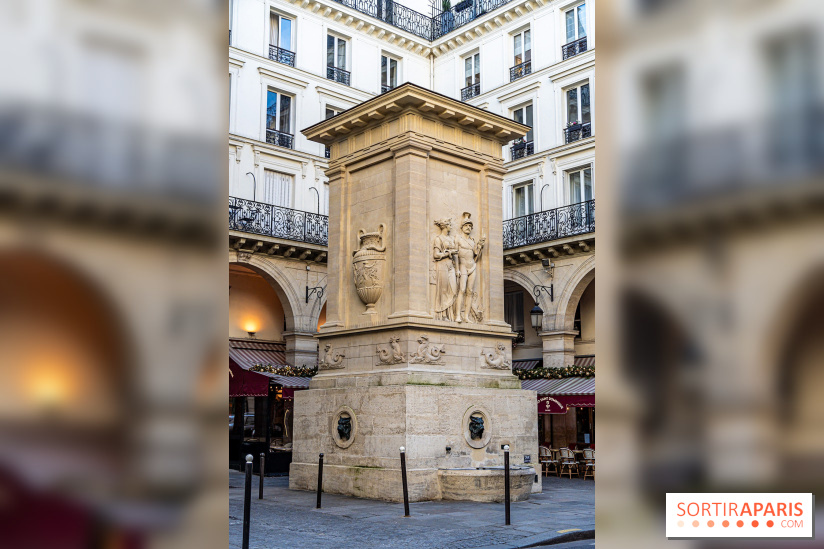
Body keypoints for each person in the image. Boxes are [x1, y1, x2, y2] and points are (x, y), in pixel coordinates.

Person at [455, 212, 485, 323]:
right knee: (461, 290)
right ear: (462, 227)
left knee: (470, 291)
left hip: (472, 266)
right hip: (462, 265)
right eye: (466, 225)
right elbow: (455, 255)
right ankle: (458, 315)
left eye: (470, 226)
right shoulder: (458, 239)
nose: (468, 228)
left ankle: (466, 316)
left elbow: (476, 257)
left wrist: (480, 247)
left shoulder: (472, 242)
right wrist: (457, 269)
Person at [432, 218, 459, 321]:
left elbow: (455, 255)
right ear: (445, 226)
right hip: (442, 265)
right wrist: (448, 253)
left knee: (453, 289)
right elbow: (436, 254)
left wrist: (457, 269)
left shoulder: (451, 239)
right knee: (443, 290)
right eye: (450, 225)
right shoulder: (438, 239)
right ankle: (443, 315)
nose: (451, 227)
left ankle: (450, 314)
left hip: (451, 266)